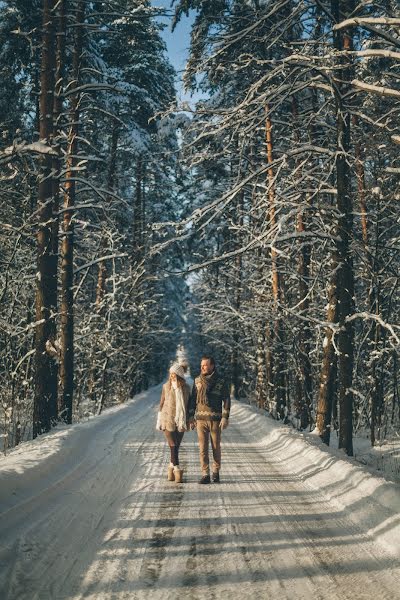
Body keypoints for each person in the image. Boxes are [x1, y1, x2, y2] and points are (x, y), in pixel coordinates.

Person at [189, 355, 231, 484]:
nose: (202, 367)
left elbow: (227, 399)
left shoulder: (221, 381)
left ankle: (216, 472)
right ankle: (205, 474)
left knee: (215, 447)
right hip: (200, 419)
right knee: (202, 448)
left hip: (215, 419)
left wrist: (225, 417)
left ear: (212, 366)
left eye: (205, 365)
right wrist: (191, 417)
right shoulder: (197, 381)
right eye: (201, 365)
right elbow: (192, 400)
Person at [156, 362, 190, 483]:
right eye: (170, 374)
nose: (171, 376)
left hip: (181, 420)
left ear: (179, 375)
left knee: (176, 446)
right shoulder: (166, 386)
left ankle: (171, 467)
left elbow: (189, 405)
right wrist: (159, 420)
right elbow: (161, 403)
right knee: (173, 445)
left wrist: (190, 418)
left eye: (174, 374)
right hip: (167, 419)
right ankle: (177, 469)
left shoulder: (186, 388)